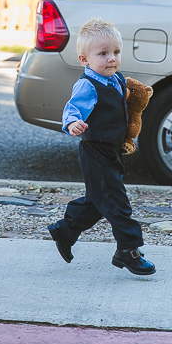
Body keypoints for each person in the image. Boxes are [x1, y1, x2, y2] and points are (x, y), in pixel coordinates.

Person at [47, 17, 155, 275]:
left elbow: (127, 104)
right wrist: (73, 123)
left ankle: (65, 230)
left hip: (112, 151)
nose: (112, 59)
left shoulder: (117, 80)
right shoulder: (88, 85)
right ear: (85, 60)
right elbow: (73, 108)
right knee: (116, 203)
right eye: (103, 54)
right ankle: (128, 250)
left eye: (116, 52)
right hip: (95, 151)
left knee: (99, 201)